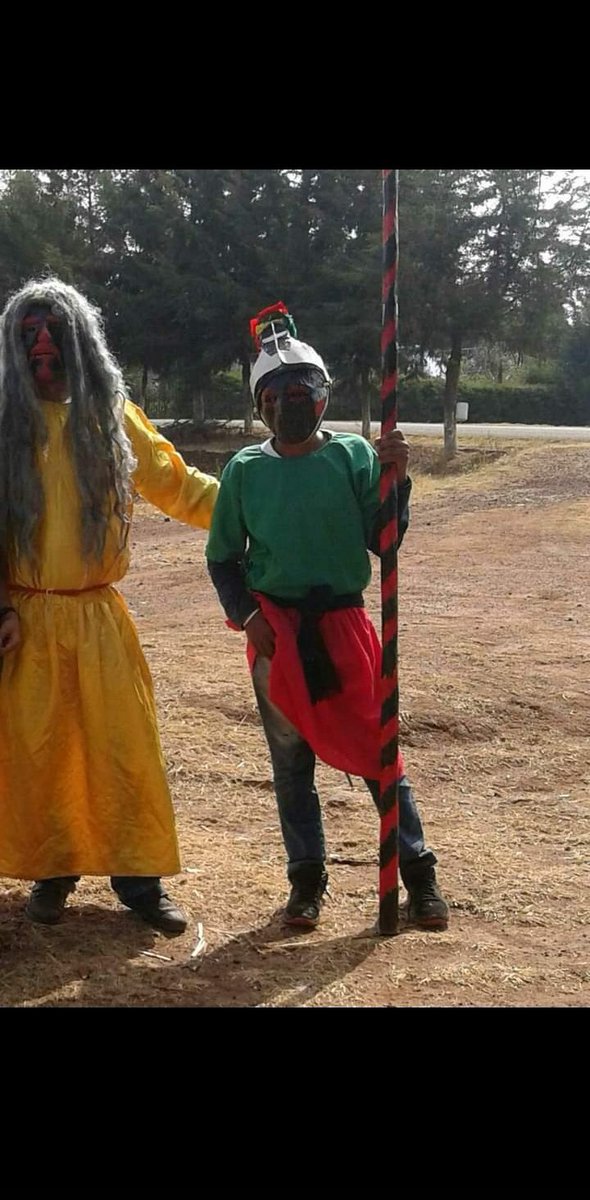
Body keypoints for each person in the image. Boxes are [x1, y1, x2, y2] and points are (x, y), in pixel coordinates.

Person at [206, 303, 449, 931]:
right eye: (276, 393)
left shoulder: (352, 458)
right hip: (276, 635)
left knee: (378, 752)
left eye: (301, 390)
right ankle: (306, 884)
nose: (290, 401)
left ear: (321, 395)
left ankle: (417, 874)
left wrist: (397, 480)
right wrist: (248, 618)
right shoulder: (244, 471)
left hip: (344, 629)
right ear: (260, 404)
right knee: (291, 767)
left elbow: (385, 541)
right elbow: (224, 560)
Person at [0, 277, 219, 932]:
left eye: (53, 335)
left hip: (97, 619)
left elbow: (181, 486)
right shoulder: (5, 426)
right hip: (26, 619)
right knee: (43, 754)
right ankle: (52, 872)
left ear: (81, 343)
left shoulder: (112, 418)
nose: (42, 347)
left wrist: (262, 501)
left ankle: (139, 882)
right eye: (28, 337)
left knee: (124, 750)